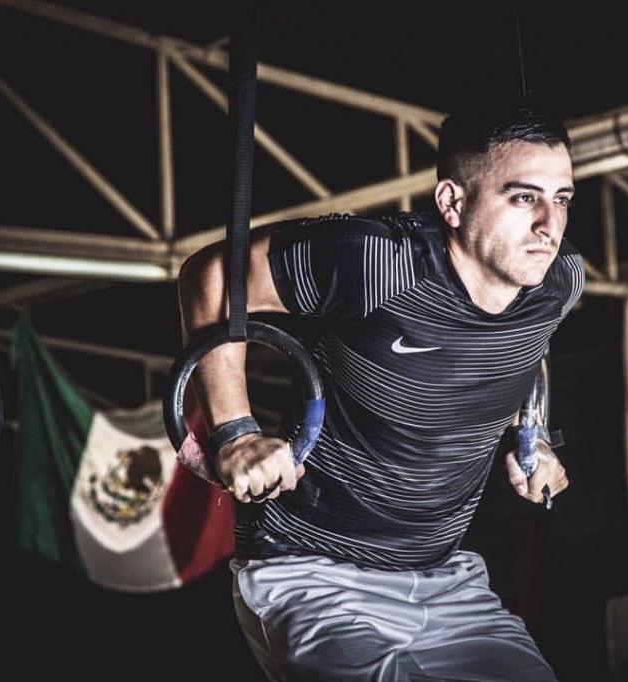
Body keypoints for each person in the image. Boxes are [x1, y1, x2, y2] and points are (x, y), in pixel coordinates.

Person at [178, 100, 584, 681]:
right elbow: (215, 276)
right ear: (452, 202)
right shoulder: (379, 262)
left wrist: (533, 433)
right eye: (524, 198)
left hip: (445, 580)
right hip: (313, 572)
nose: (550, 226)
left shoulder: (559, 280)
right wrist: (234, 432)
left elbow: (527, 346)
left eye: (562, 199)